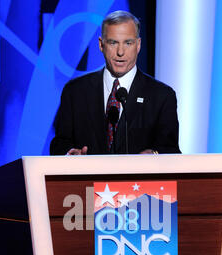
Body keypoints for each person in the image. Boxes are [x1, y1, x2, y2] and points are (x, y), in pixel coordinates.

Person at [50, 10, 180, 155]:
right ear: (101, 45)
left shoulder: (161, 96)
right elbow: (59, 144)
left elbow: (171, 151)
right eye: (113, 43)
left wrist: (154, 154)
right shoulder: (75, 91)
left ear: (138, 45)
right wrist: (70, 153)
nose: (120, 52)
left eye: (128, 43)